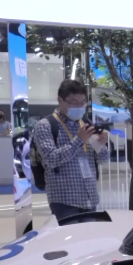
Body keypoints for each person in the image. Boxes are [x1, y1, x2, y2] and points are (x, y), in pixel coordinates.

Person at [34, 79, 110, 223]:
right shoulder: (45, 125)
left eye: (83, 102)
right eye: (74, 102)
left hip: (89, 197)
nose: (79, 106)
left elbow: (103, 160)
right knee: (69, 237)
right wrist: (79, 140)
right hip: (64, 200)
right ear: (60, 100)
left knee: (89, 237)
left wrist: (101, 145)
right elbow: (51, 159)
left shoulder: (86, 124)